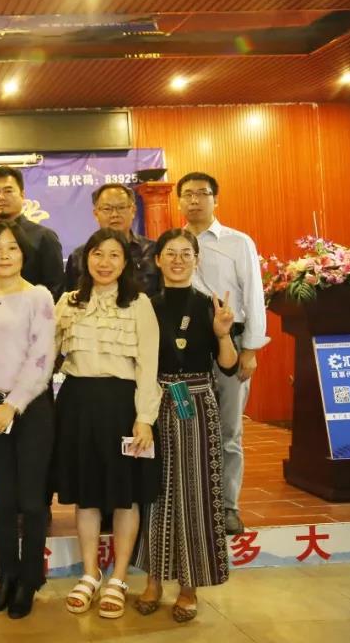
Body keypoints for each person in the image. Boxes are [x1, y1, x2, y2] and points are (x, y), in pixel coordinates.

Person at [134, 228, 238, 624]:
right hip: (154, 404)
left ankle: (189, 585)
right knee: (153, 492)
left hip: (196, 403)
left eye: (186, 253)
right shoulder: (146, 305)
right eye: (170, 253)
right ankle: (153, 581)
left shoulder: (211, 306)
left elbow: (228, 366)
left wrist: (223, 335)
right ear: (157, 260)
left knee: (196, 494)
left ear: (197, 259)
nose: (178, 260)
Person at [54, 228, 160, 620]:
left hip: (122, 405)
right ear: (86, 259)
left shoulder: (139, 303)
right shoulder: (68, 302)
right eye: (98, 254)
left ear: (126, 262)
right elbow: (45, 354)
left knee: (124, 494)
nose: (105, 262)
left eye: (114, 255)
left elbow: (148, 365)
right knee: (86, 494)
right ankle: (89, 573)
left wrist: (144, 418)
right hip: (77, 403)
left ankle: (118, 577)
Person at [0, 220, 56, 619]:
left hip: (29, 408)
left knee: (32, 501)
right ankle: (6, 576)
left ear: (24, 254)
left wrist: (12, 405)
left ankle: (30, 579)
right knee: (3, 499)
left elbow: (42, 357)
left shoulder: (38, 296)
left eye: (12, 248)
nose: (4, 255)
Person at [178, 172, 268, 536]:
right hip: (186, 349)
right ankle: (193, 502)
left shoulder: (238, 242)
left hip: (231, 342)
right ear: (179, 201)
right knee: (187, 426)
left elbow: (254, 296)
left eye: (202, 193)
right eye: (187, 194)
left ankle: (228, 506)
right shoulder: (174, 244)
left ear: (216, 199)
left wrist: (251, 349)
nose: (194, 200)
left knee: (229, 429)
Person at [0, 166, 66, 299]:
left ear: (22, 195)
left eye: (8, 191)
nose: (1, 197)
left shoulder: (44, 237)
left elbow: (56, 288)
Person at [65, 183, 159, 296]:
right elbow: (72, 298)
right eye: (107, 209)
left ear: (133, 211)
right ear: (96, 214)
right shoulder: (79, 256)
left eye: (121, 208)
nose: (115, 214)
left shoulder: (153, 250)